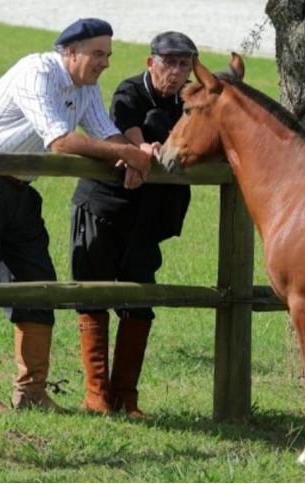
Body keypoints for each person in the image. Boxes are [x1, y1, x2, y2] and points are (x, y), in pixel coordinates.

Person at [0, 18, 155, 413]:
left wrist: (138, 156)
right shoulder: (36, 70)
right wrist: (126, 154)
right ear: (70, 53)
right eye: (98, 54)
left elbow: (107, 134)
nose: (105, 63)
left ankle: (32, 393)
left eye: (108, 55)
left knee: (38, 284)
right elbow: (59, 140)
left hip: (20, 190)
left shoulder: (86, 87)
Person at [70, 31, 197, 417]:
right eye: (168, 63)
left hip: (148, 215)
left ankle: (126, 396)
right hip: (105, 207)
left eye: (184, 65)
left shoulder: (190, 102)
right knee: (95, 294)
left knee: (140, 300)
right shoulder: (129, 91)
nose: (175, 72)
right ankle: (96, 395)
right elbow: (132, 133)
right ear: (150, 62)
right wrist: (145, 149)